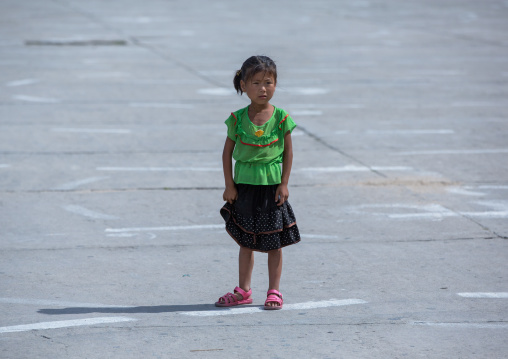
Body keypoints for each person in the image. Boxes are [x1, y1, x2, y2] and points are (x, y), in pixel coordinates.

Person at [216, 55, 301, 310]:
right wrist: (229, 185)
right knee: (246, 242)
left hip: (271, 189)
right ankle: (243, 290)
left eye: (268, 82)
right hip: (244, 188)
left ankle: (274, 290)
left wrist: (284, 184)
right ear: (243, 85)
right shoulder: (237, 119)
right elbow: (226, 153)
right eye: (256, 83)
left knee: (274, 243)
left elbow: (288, 152)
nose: (263, 88)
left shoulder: (282, 118)